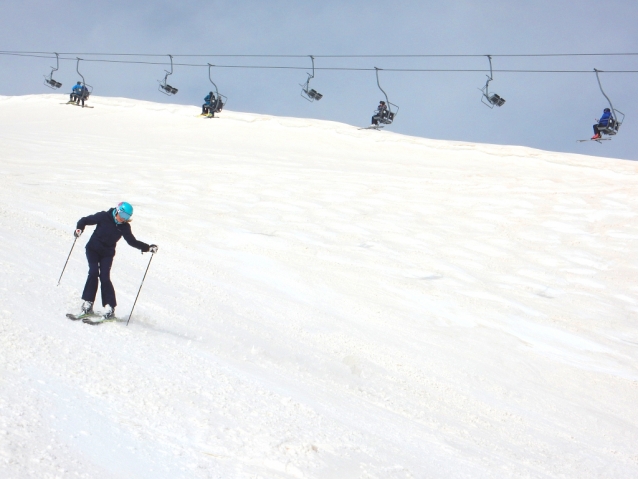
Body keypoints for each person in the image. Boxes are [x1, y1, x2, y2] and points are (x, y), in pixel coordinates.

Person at [73, 202, 158, 320]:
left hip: (107, 254)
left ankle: (110, 308)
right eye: (122, 214)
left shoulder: (124, 227)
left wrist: (148, 248)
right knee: (93, 272)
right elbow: (85, 220)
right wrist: (79, 229)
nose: (123, 218)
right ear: (117, 210)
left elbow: (132, 242)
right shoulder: (104, 216)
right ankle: (88, 303)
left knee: (105, 277)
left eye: (127, 217)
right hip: (93, 249)